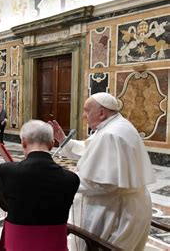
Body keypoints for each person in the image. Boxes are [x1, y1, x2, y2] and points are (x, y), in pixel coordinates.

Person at [48, 92, 155, 250]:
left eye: (87, 110)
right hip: (125, 207)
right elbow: (89, 149)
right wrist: (64, 141)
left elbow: (102, 184)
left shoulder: (112, 133)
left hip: (117, 212)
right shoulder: (114, 126)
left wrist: (66, 180)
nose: (84, 115)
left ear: (101, 112)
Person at [0, 120, 80, 250]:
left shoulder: (7, 170)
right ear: (52, 144)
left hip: (17, 245)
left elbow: (4, 205)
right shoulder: (71, 179)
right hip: (54, 246)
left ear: (24, 142)